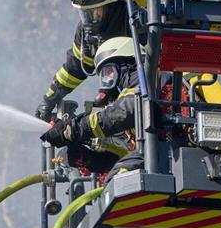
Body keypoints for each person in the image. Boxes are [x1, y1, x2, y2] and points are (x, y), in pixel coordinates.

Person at [34, 0, 145, 122]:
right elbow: (75, 67)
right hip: (114, 108)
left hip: (139, 101)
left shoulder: (135, 21)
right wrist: (49, 99)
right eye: (83, 13)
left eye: (93, 12)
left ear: (109, 4)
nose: (88, 20)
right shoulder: (85, 31)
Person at [40, 36, 144, 176]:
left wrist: (74, 129)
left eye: (108, 73)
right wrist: (88, 158)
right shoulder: (133, 124)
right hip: (162, 159)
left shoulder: (145, 79)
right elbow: (124, 155)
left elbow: (123, 113)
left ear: (127, 64)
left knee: (120, 176)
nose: (106, 82)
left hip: (170, 154)